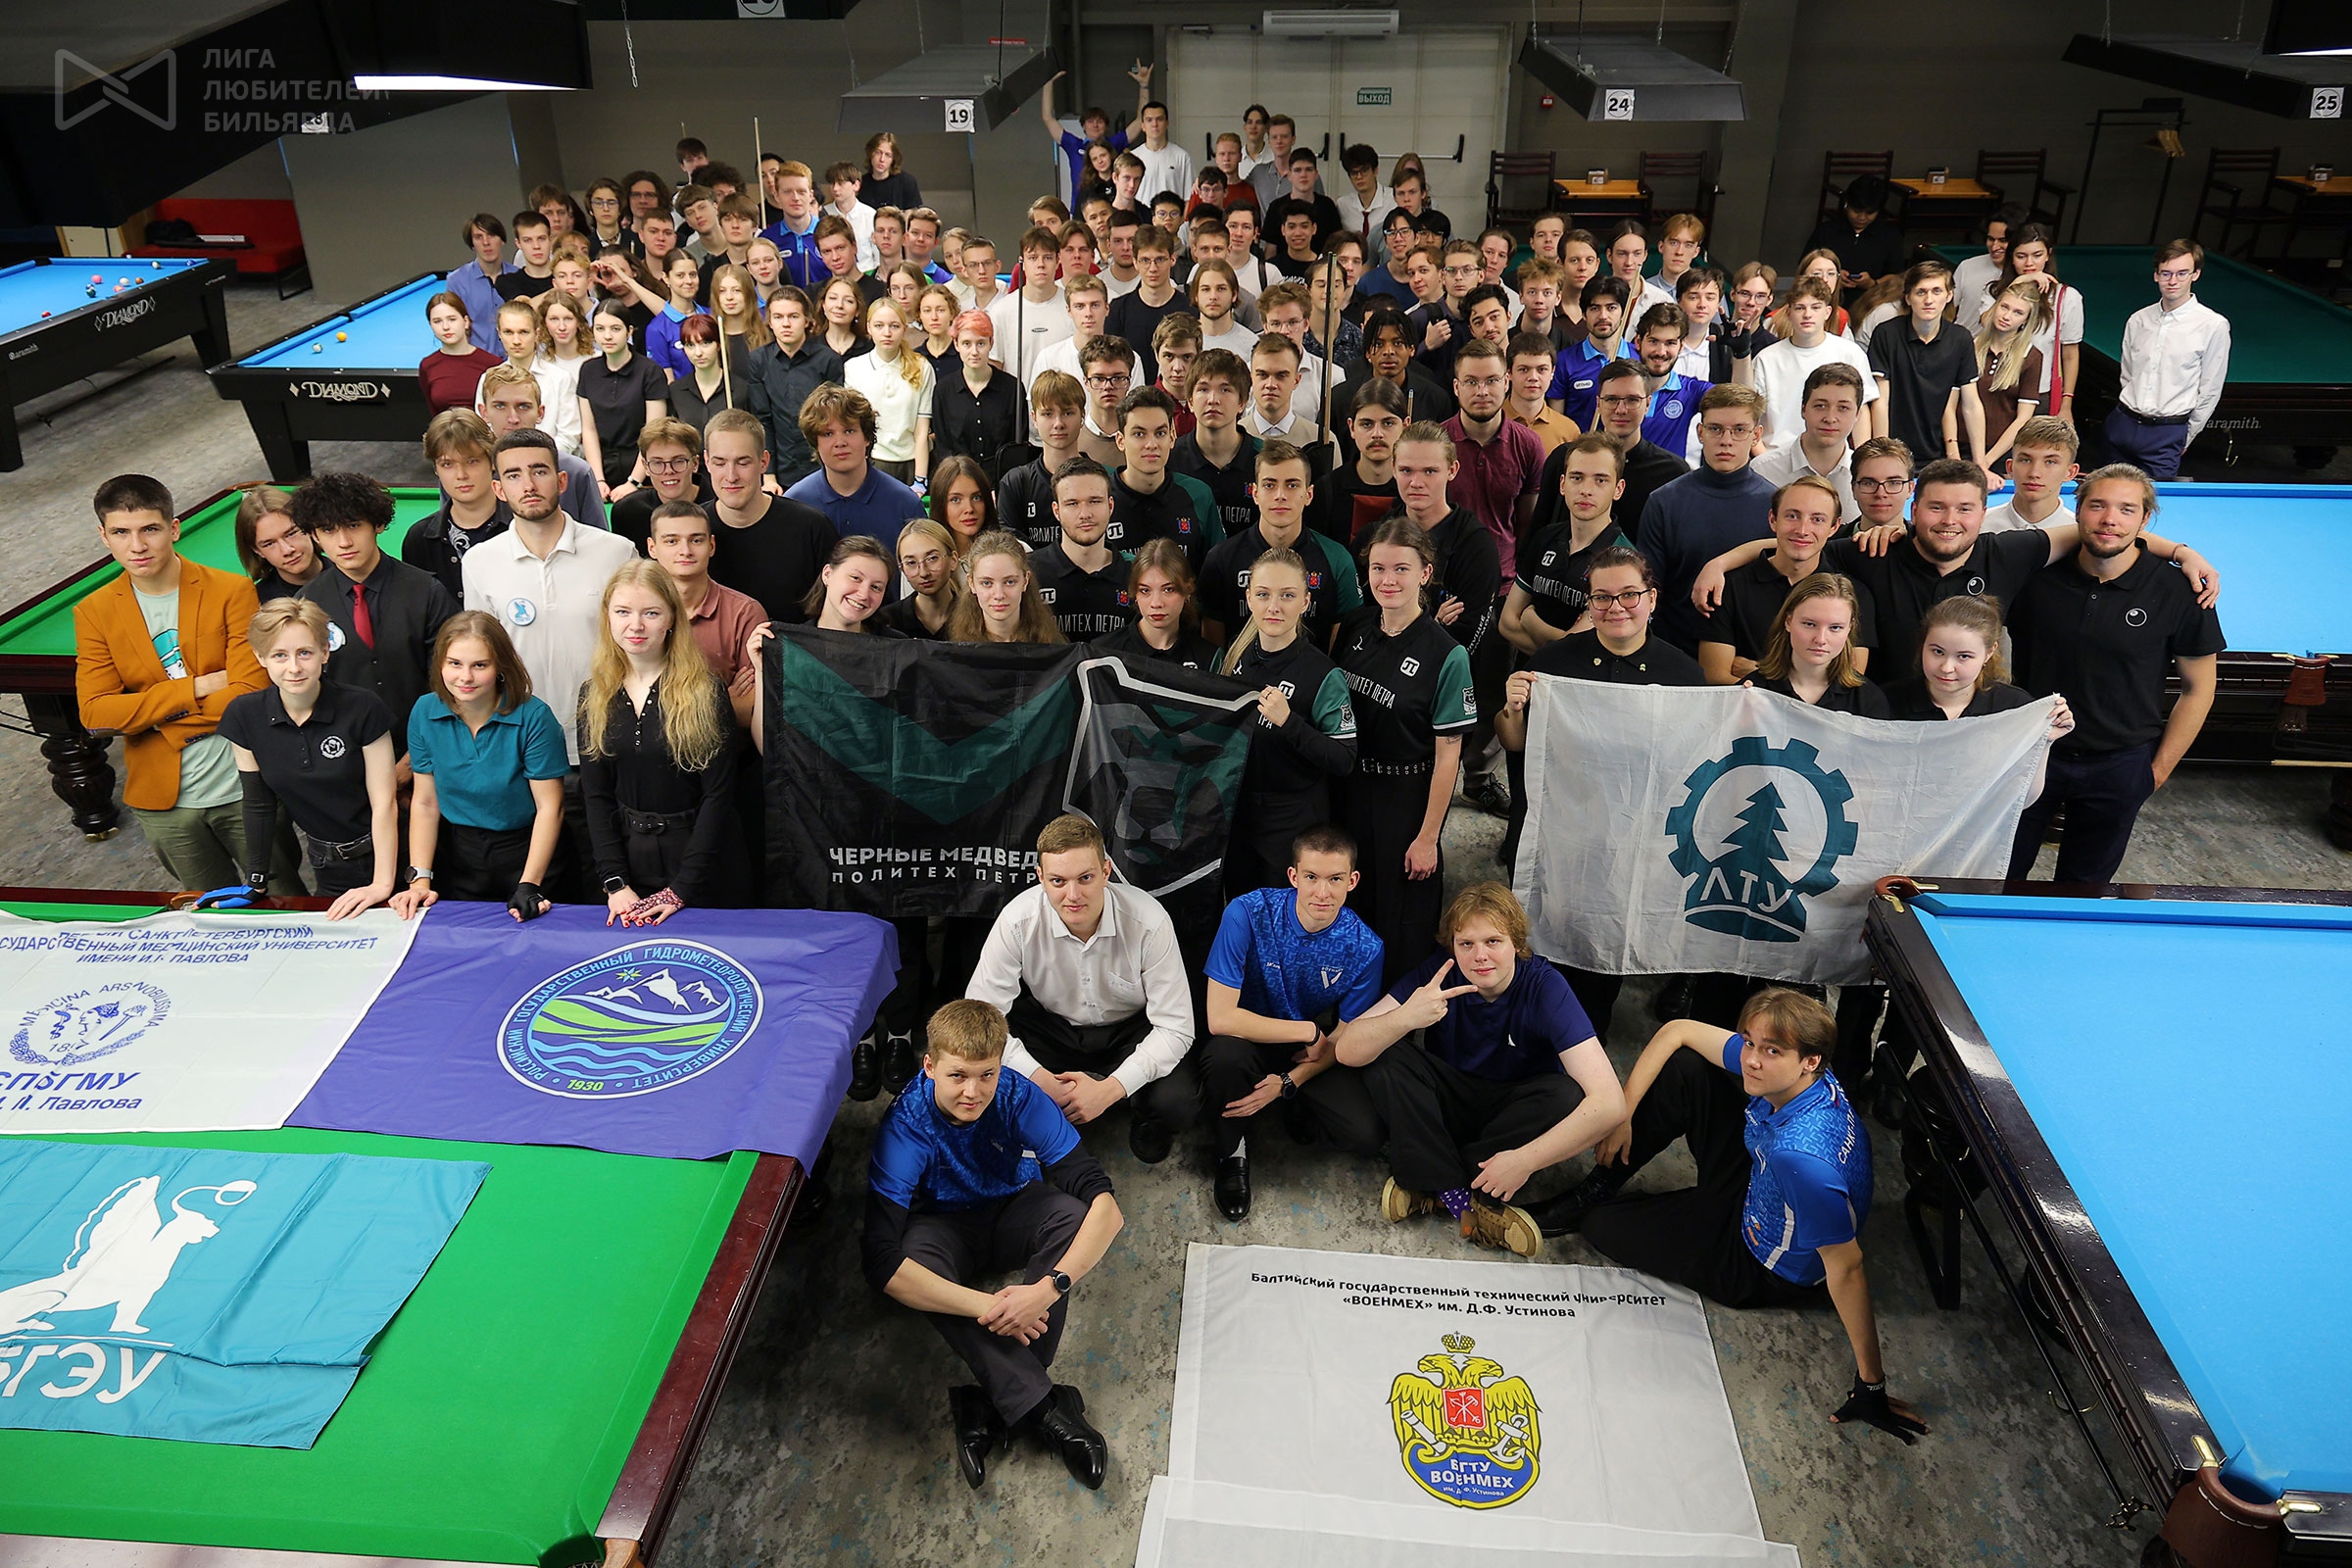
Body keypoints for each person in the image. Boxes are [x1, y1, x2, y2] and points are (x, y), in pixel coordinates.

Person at [1542, 991, 1927, 1451]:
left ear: (1810, 1061)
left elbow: (1846, 1269)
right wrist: (1621, 1116)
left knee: (1601, 1226)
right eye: (1749, 1043)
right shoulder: (1810, 1079)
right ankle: (1602, 1181)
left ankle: (1620, 1207)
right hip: (1760, 1187)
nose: (1753, 1060)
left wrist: (1872, 1385)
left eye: (1772, 1051)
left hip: (1757, 1262)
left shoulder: (1801, 1160)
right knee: (1689, 1068)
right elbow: (1678, 1031)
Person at [862, 997, 1120, 1491]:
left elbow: (1106, 1207)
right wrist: (992, 1307)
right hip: (941, 1226)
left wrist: (1046, 1290)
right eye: (957, 1076)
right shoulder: (905, 1128)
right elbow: (880, 1260)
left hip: (1012, 1207)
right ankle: (1048, 1408)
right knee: (915, 1264)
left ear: (1001, 1066)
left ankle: (989, 1400)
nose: (973, 1091)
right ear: (929, 1066)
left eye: (987, 1075)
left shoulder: (1020, 1097)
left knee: (1072, 1214)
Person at [1695, 457, 2218, 678]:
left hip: (1967, 722)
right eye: (1936, 508)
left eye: (1965, 509)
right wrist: (1722, 561)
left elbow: (2099, 528)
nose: (1950, 521)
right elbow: (1797, 544)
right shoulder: (1874, 551)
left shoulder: (2007, 552)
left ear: (1982, 514)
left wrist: (2180, 551)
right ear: (1913, 510)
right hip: (1883, 717)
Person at [1336, 882, 1623, 1259]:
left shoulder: (1544, 986)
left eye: (1493, 942)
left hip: (1511, 1113)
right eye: (1466, 944)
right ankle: (1462, 1198)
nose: (1480, 956)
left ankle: (1427, 1180)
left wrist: (1525, 1161)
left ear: (1516, 943)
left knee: (1566, 1094)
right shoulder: (1440, 972)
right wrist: (1404, 1018)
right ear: (1452, 947)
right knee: (1385, 1052)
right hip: (1449, 1098)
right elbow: (1346, 1050)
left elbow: (1610, 1103)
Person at [1495, 544, 1704, 1019]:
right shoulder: (1553, 662)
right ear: (1588, 603)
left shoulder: (1684, 674)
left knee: (1601, 957)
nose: (1616, 608)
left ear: (1652, 599)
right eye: (1602, 597)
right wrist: (1511, 708)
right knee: (1539, 946)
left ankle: (1590, 1038)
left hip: (1631, 843)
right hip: (1558, 835)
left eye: (1629, 595)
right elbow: (1513, 741)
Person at [2005, 466, 2222, 883]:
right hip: (2030, 751)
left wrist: (2156, 772)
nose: (2110, 520)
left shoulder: (2178, 591)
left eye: (2126, 509)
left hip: (2120, 764)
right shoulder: (2033, 579)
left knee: (2083, 891)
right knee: (1998, 879)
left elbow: (2199, 689)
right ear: (2078, 512)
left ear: (2144, 520)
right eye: (2098, 506)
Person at [76, 473, 287, 893]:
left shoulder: (231, 591)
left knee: (286, 903)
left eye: (149, 529)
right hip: (165, 802)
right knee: (205, 913)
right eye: (121, 533)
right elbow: (96, 713)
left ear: (173, 528)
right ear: (104, 536)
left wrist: (150, 716)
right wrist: (198, 687)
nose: (137, 546)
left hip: (244, 785)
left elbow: (250, 693)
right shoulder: (93, 612)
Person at [965, 812, 1199, 1165]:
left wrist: (1110, 1090)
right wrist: (1041, 1079)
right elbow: (980, 1018)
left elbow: (1176, 1027)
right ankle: (1046, 1108)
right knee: (987, 1075)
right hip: (1052, 1028)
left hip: (1129, 1030)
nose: (1072, 895)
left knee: (1178, 1103)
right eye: (1058, 881)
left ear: (1106, 872)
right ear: (1041, 878)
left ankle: (1139, 1111)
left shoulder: (1149, 921)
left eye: (1085, 878)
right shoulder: (1017, 921)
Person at [1201, 824, 1389, 1218]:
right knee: (1224, 1059)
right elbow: (1219, 1018)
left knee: (1365, 1133)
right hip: (1245, 1033)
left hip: (1304, 1054)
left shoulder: (1366, 947)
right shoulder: (1247, 913)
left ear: (1352, 881)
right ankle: (1232, 1152)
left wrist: (1289, 1082)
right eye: (1311, 877)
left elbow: (1343, 1038)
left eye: (1335, 879)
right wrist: (1307, 1030)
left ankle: (1292, 1106)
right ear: (1293, 876)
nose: (1323, 892)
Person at [1337, 515, 1478, 985]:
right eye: (1378, 568)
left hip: (1406, 799)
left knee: (1399, 926)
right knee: (1349, 908)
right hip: (1350, 790)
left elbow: (1449, 758)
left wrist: (1427, 837)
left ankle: (1398, 1016)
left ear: (1425, 573)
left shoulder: (1447, 654)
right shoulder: (1354, 627)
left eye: (1401, 569)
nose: (1388, 580)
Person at [463, 431, 640, 773]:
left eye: (539, 471)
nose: (528, 485)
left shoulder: (617, 552)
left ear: (561, 481)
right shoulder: (478, 562)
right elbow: (482, 659)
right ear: (499, 489)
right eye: (513, 475)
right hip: (520, 749)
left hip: (608, 743)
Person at [578, 560, 741, 926]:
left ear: (671, 619)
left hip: (701, 870)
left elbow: (718, 796)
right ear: (607, 617)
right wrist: (615, 882)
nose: (635, 625)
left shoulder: (706, 692)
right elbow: (596, 796)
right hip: (627, 871)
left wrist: (681, 890)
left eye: (650, 613)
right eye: (623, 612)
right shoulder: (593, 694)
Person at [389, 611, 569, 921]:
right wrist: (420, 880)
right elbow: (425, 802)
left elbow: (550, 807)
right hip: (460, 853)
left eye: (480, 665)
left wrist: (529, 884)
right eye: (454, 664)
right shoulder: (424, 711)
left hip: (528, 849)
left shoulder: (534, 716)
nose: (465, 677)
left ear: (500, 666)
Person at [220, 599, 397, 913]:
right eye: (279, 655)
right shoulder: (244, 716)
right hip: (327, 863)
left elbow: (385, 802)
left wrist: (382, 884)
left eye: (305, 653)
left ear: (325, 652)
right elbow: (259, 804)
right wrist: (256, 880)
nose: (294, 667)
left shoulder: (363, 707)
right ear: (260, 657)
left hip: (390, 854)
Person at [294, 472, 458, 783]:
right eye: (328, 530)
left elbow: (452, 685)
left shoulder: (427, 591)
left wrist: (411, 763)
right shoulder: (306, 604)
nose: (343, 542)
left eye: (354, 525)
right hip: (346, 768)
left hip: (435, 758)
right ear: (314, 536)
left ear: (378, 524)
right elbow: (304, 696)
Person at [1216, 545, 1359, 900]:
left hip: (1292, 821)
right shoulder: (1235, 657)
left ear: (1306, 601)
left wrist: (1290, 723)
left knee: (1283, 916)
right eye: (1264, 594)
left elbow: (1344, 759)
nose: (1274, 606)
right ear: (1249, 598)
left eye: (1287, 595)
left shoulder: (1322, 674)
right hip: (1238, 813)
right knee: (1241, 908)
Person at [1636, 384, 1779, 653]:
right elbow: (1649, 591)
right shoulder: (1664, 502)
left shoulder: (1776, 506)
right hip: (1674, 650)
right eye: (1715, 429)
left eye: (1739, 430)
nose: (1726, 440)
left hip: (1751, 654)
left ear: (1756, 435)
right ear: (1701, 432)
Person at [1698, 476, 1867, 684]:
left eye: (1817, 519)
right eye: (1792, 516)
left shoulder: (1853, 594)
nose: (1802, 530)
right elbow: (1716, 677)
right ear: (1773, 520)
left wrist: (1760, 671)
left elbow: (1849, 680)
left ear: (1834, 527)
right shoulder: (1729, 587)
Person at [1197, 441, 1362, 649]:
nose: (1280, 495)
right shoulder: (1221, 559)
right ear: (1255, 493)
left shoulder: (1338, 560)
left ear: (1309, 494)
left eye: (1292, 485)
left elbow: (1342, 649)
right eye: (1269, 485)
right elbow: (1212, 651)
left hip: (1313, 670)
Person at [2106, 239, 2230, 480]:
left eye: (2182, 273)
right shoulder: (2138, 319)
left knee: (2157, 500)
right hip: (2123, 423)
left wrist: (2187, 435)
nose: (2173, 281)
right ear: (2156, 275)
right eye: (2166, 273)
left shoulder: (2213, 325)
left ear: (2196, 274)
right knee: (2109, 493)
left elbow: (2210, 390)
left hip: (2168, 431)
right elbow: (2128, 374)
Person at [698, 410, 838, 621]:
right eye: (720, 463)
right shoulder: (691, 533)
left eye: (743, 462)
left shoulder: (811, 527)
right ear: (707, 462)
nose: (731, 476)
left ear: (764, 462)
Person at [1500, 434, 1630, 655]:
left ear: (1618, 489)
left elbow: (1580, 650)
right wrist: (1559, 647)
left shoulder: (1622, 561)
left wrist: (1531, 620)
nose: (1586, 490)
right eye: (1577, 477)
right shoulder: (1545, 538)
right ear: (1562, 484)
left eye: (1600, 480)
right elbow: (1507, 624)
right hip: (1528, 674)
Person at [645, 500, 764, 724]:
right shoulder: (636, 612)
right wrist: (722, 703)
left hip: (726, 746)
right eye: (671, 541)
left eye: (696, 540)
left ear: (711, 545)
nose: (685, 551)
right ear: (652, 548)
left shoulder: (745, 613)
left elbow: (751, 710)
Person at [1869, 262, 1984, 469]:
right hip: (1896, 451)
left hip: (1940, 452)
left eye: (1937, 291)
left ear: (1949, 296)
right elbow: (1881, 400)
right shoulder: (1886, 334)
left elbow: (1971, 404)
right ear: (1908, 298)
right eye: (1921, 292)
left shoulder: (1960, 339)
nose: (1929, 300)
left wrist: (1980, 463)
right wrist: (1882, 456)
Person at [1747, 276, 1877, 448]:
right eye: (1800, 308)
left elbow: (1861, 410)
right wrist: (1763, 459)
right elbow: (1749, 416)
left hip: (1834, 454)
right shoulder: (1766, 359)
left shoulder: (1850, 353)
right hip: (1776, 453)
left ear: (1828, 312)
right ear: (1789, 313)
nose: (1807, 314)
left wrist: (1861, 457)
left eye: (1815, 307)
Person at [477, 364, 609, 530]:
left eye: (523, 406)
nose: (513, 418)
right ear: (484, 412)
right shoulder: (471, 474)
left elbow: (599, 540)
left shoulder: (576, 472)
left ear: (540, 413)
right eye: (500, 406)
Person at [787, 385, 926, 538]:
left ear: (867, 437)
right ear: (816, 443)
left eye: (849, 431)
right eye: (828, 434)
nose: (840, 442)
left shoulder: (906, 504)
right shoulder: (793, 504)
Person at [741, 286, 843, 490]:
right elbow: (762, 420)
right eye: (778, 317)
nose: (786, 324)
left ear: (807, 321)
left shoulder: (828, 359)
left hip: (823, 467)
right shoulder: (758, 360)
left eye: (793, 316)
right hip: (780, 469)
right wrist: (769, 476)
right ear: (770, 322)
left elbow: (834, 419)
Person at [1108, 387, 1222, 568]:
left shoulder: (1198, 495)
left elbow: (1216, 570)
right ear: (1120, 441)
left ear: (1172, 437)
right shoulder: (1101, 498)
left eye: (1160, 433)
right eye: (1139, 434)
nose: (1151, 444)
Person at [405, 411, 512, 602]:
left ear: (492, 462)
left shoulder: (521, 527)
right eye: (447, 464)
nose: (461, 474)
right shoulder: (419, 540)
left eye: (472, 461)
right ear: (436, 469)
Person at [1745, 573, 1888, 716]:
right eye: (1809, 624)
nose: (1820, 639)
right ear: (1788, 621)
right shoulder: (1751, 692)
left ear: (1850, 628)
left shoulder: (1869, 701)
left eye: (1835, 627)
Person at [1028, 457, 1135, 641]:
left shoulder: (1136, 574)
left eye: (1094, 501)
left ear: (1110, 505)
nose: (1085, 514)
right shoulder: (1028, 573)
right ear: (1056, 511)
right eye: (1072, 503)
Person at [1751, 364, 1865, 525]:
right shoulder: (1762, 471)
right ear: (1803, 409)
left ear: (1857, 414)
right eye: (1820, 406)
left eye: (1843, 408)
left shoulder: (1868, 477)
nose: (1830, 418)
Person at [578, 302, 669, 498]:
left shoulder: (650, 371)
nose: (607, 336)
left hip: (644, 473)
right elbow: (589, 429)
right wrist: (598, 480)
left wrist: (634, 482)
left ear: (629, 331)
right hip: (603, 471)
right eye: (600, 329)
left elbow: (654, 434)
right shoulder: (588, 370)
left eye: (615, 329)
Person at [845, 297, 935, 486]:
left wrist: (920, 479)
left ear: (904, 329)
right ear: (869, 328)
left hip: (912, 462)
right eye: (879, 326)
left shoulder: (922, 366)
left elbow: (922, 430)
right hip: (871, 461)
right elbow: (853, 426)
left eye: (894, 326)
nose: (887, 333)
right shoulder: (853, 368)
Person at [1090, 537, 1219, 669]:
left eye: (1168, 590)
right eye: (1145, 590)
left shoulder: (1208, 658)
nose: (1156, 603)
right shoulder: (1102, 653)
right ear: (1135, 593)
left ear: (1187, 591)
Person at [997, 370, 1090, 545]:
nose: (1058, 423)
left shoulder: (1101, 480)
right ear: (1034, 418)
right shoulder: (1016, 483)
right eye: (1048, 414)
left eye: (1068, 413)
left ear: (1082, 415)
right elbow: (1011, 549)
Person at [934, 311, 1023, 481]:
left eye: (981, 343)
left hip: (1003, 482)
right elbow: (944, 447)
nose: (974, 351)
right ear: (956, 344)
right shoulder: (943, 390)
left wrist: (1005, 488)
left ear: (991, 343)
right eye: (966, 343)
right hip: (958, 480)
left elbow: (1017, 448)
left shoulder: (1012, 388)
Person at [1971, 282, 2048, 476]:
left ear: (2026, 320)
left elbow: (2023, 418)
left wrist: (1985, 461)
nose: (2007, 316)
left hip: (1999, 455)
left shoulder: (2032, 357)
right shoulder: (1969, 346)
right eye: (2004, 307)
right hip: (1960, 447)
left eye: (2018, 312)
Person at [1546, 275, 1632, 431]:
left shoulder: (1638, 358)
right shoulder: (1564, 361)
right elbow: (1556, 425)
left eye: (1611, 308)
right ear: (1584, 314)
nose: (1603, 316)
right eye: (1594, 308)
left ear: (1623, 313)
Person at [611, 417, 704, 553]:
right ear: (645, 467)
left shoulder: (719, 508)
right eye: (657, 463)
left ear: (695, 463)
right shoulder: (628, 512)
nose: (668, 471)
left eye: (678, 461)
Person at [1806, 175, 1905, 302]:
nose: (1862, 218)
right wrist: (1832, 277)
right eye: (1857, 211)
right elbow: (1805, 269)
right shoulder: (1827, 231)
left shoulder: (1890, 235)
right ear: (1847, 204)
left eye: (1869, 213)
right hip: (1827, 297)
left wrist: (1873, 283)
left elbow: (1897, 276)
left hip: (1873, 299)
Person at [1983, 416, 2077, 533]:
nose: (2034, 473)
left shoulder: (2080, 534)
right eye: (2026, 460)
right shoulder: (1979, 527)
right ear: (2010, 468)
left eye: (2050, 462)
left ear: (2070, 472)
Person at [421, 291, 505, 418]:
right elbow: (433, 413)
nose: (445, 327)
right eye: (437, 321)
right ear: (430, 325)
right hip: (444, 430)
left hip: (484, 430)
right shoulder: (428, 365)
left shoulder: (492, 364)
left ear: (466, 322)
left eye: (452, 319)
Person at [878, 516, 961, 641]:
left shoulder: (978, 616)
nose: (923, 573)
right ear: (902, 569)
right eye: (911, 562)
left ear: (953, 560)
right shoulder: (886, 622)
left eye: (932, 558)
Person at [235, 485, 320, 603]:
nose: (287, 550)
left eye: (291, 534)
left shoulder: (346, 569)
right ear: (257, 550)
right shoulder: (259, 604)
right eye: (269, 544)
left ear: (307, 525)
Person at [662, 315, 742, 436]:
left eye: (705, 343)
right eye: (690, 345)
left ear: (718, 345)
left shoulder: (741, 390)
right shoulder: (675, 392)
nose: (698, 353)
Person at [447, 215, 514, 353]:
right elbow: (455, 329)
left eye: (492, 235)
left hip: (517, 359)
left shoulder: (518, 275)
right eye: (478, 237)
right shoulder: (457, 281)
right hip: (477, 360)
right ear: (472, 244)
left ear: (502, 240)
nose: (486, 242)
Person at [1952, 204, 2026, 331]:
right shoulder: (1967, 266)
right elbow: (1949, 310)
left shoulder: (2027, 274)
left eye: (2003, 240)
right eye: (1991, 239)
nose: (1995, 247)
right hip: (1962, 341)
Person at [1505, 330, 1577, 456]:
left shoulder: (1569, 431)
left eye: (1542, 369)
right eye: (1523, 369)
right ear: (1509, 373)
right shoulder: (1490, 424)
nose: (1533, 377)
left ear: (1552, 372)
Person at [1605, 221, 1675, 318]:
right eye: (1622, 254)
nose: (1629, 262)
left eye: (1637, 254)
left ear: (1645, 255)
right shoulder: (1595, 298)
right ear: (1609, 255)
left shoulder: (1662, 300)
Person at [1334, 142, 1394, 242]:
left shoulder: (1393, 200)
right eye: (1354, 173)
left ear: (1375, 171)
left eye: (1364, 170)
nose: (1359, 177)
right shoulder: (1343, 205)